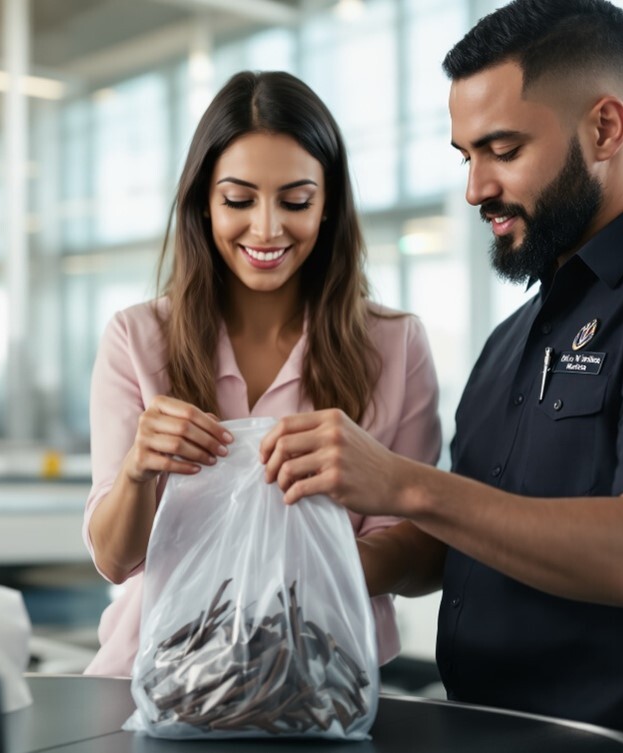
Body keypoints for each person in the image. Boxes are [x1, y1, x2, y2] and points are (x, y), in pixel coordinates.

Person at [258, 2, 623, 751]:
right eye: (466, 156)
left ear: (604, 129)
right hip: (484, 733)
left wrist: (403, 483)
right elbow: (460, 539)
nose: (475, 187)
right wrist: (321, 570)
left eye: (502, 150)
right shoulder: (514, 338)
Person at [81, 71, 443, 677]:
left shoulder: (396, 345)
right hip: (149, 679)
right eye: (238, 200)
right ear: (204, 202)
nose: (268, 228)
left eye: (296, 201)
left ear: (328, 207)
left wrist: (295, 566)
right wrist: (138, 471)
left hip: (323, 681)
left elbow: (421, 555)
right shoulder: (136, 339)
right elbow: (115, 561)